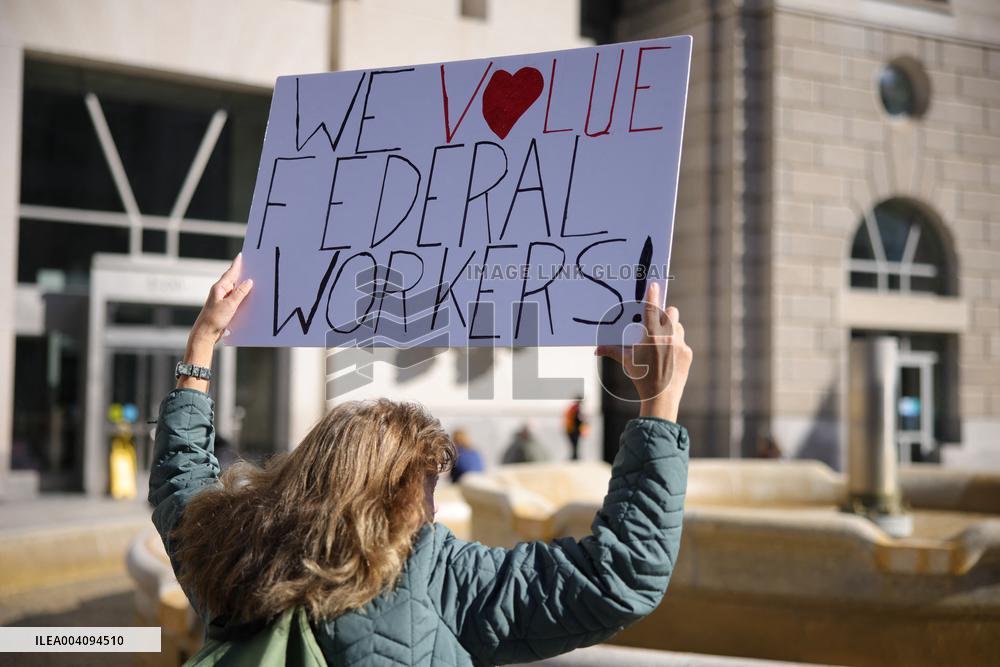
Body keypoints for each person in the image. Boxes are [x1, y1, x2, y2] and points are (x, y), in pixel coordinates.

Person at [149, 255, 693, 666]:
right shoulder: (432, 574)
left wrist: (202, 345)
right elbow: (619, 575)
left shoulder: (234, 554)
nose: (433, 511)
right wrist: (659, 407)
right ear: (398, 493)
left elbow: (181, 481)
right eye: (429, 488)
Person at [563, 396, 590, 460]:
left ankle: (574, 457)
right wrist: (585, 422)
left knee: (574, 446)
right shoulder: (576, 408)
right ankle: (575, 458)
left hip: (570, 429)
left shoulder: (573, 408)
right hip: (573, 430)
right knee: (575, 445)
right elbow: (577, 420)